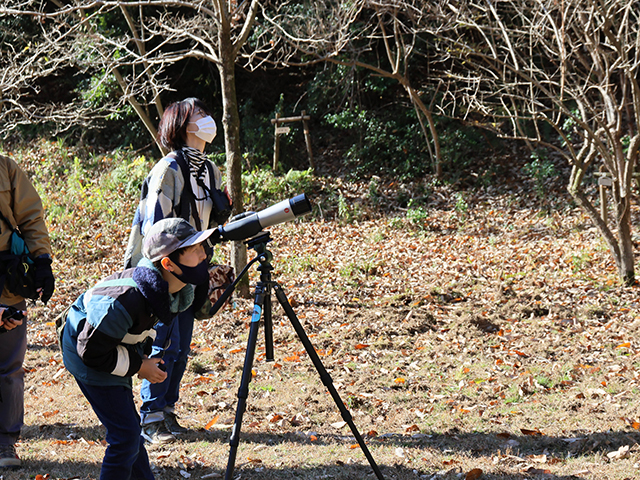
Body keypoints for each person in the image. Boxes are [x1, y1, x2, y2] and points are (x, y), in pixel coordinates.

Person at [62, 217, 215, 480]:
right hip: (86, 353)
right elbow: (92, 351)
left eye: (203, 248)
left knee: (130, 432)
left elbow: (138, 331)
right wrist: (139, 365)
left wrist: (141, 359)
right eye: (195, 251)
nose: (205, 255)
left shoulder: (168, 290)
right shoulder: (126, 301)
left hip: (111, 347)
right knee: (125, 437)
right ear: (168, 263)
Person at [124, 97, 230, 444]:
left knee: (182, 345)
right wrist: (172, 269)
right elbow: (157, 230)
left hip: (194, 262)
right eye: (200, 114)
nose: (207, 119)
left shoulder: (210, 169)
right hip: (165, 267)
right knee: (163, 341)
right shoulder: (167, 169)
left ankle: (167, 410)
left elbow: (209, 219)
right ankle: (150, 418)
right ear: (183, 124)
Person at [0, 153, 55, 468]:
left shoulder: (6, 168)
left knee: (9, 366)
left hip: (7, 278)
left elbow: (31, 216)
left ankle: (6, 444)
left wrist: (43, 260)